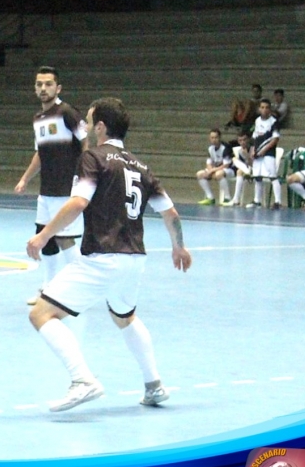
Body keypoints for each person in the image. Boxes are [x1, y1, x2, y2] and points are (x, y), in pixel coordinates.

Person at [26, 97, 192, 412]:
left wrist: (43, 234)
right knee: (124, 317)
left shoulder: (93, 158)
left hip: (103, 257)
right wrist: (178, 246)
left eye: (90, 121)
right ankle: (154, 385)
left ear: (101, 127)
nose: (87, 126)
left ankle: (82, 380)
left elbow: (78, 203)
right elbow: (170, 213)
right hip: (134, 259)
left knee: (41, 314)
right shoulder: (142, 167)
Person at [15, 66, 88, 305]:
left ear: (58, 88)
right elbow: (40, 153)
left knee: (64, 238)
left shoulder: (67, 112)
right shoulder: (38, 119)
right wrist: (26, 178)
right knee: (43, 237)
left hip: (66, 188)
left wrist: (84, 175)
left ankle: (82, 287)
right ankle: (49, 288)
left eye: (48, 84)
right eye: (39, 84)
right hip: (46, 190)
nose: (43, 88)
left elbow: (85, 141)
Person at [246, 99, 282, 209]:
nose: (264, 110)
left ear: (270, 109)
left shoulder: (274, 122)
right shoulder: (257, 121)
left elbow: (275, 139)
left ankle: (278, 202)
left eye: (267, 107)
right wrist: (252, 151)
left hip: (268, 153)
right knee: (257, 176)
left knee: (272, 177)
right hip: (257, 153)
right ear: (259, 109)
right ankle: (257, 201)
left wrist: (263, 151)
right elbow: (254, 137)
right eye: (262, 107)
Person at [196, 128, 234, 205]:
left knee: (219, 174)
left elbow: (226, 165)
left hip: (230, 170)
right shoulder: (210, 148)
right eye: (212, 138)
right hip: (216, 170)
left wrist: (212, 171)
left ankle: (227, 198)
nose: (214, 140)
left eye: (216, 137)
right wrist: (210, 170)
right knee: (200, 174)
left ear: (220, 138)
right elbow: (209, 163)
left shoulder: (225, 148)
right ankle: (210, 197)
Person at [222, 129, 253, 207]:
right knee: (237, 165)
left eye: (244, 140)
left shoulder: (252, 148)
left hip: (255, 169)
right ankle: (236, 199)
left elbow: (253, 164)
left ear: (248, 140)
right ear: (238, 142)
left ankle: (236, 199)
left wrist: (247, 156)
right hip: (245, 170)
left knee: (238, 166)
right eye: (240, 140)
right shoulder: (238, 150)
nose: (243, 142)